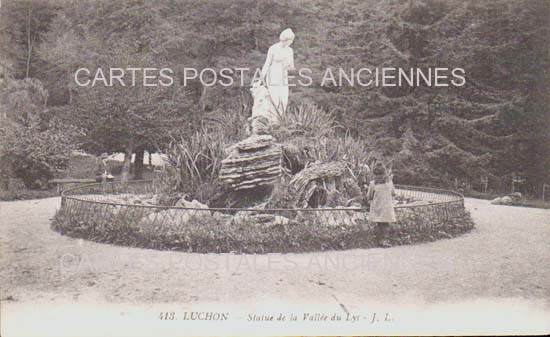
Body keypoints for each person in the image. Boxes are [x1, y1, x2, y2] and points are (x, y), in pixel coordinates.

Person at [261, 28, 295, 115]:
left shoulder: (290, 50)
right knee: (275, 100)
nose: (290, 42)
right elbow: (267, 64)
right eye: (289, 40)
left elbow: (291, 67)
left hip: (283, 76)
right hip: (273, 75)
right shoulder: (273, 48)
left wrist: (289, 65)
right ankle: (272, 119)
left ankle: (280, 121)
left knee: (284, 100)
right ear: (284, 39)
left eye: (291, 41)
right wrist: (261, 78)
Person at [367, 162, 396, 248]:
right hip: (387, 206)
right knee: (386, 223)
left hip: (377, 206)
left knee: (380, 223)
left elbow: (369, 196)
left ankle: (380, 240)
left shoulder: (373, 184)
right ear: (385, 172)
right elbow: (393, 193)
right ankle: (384, 240)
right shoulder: (389, 183)